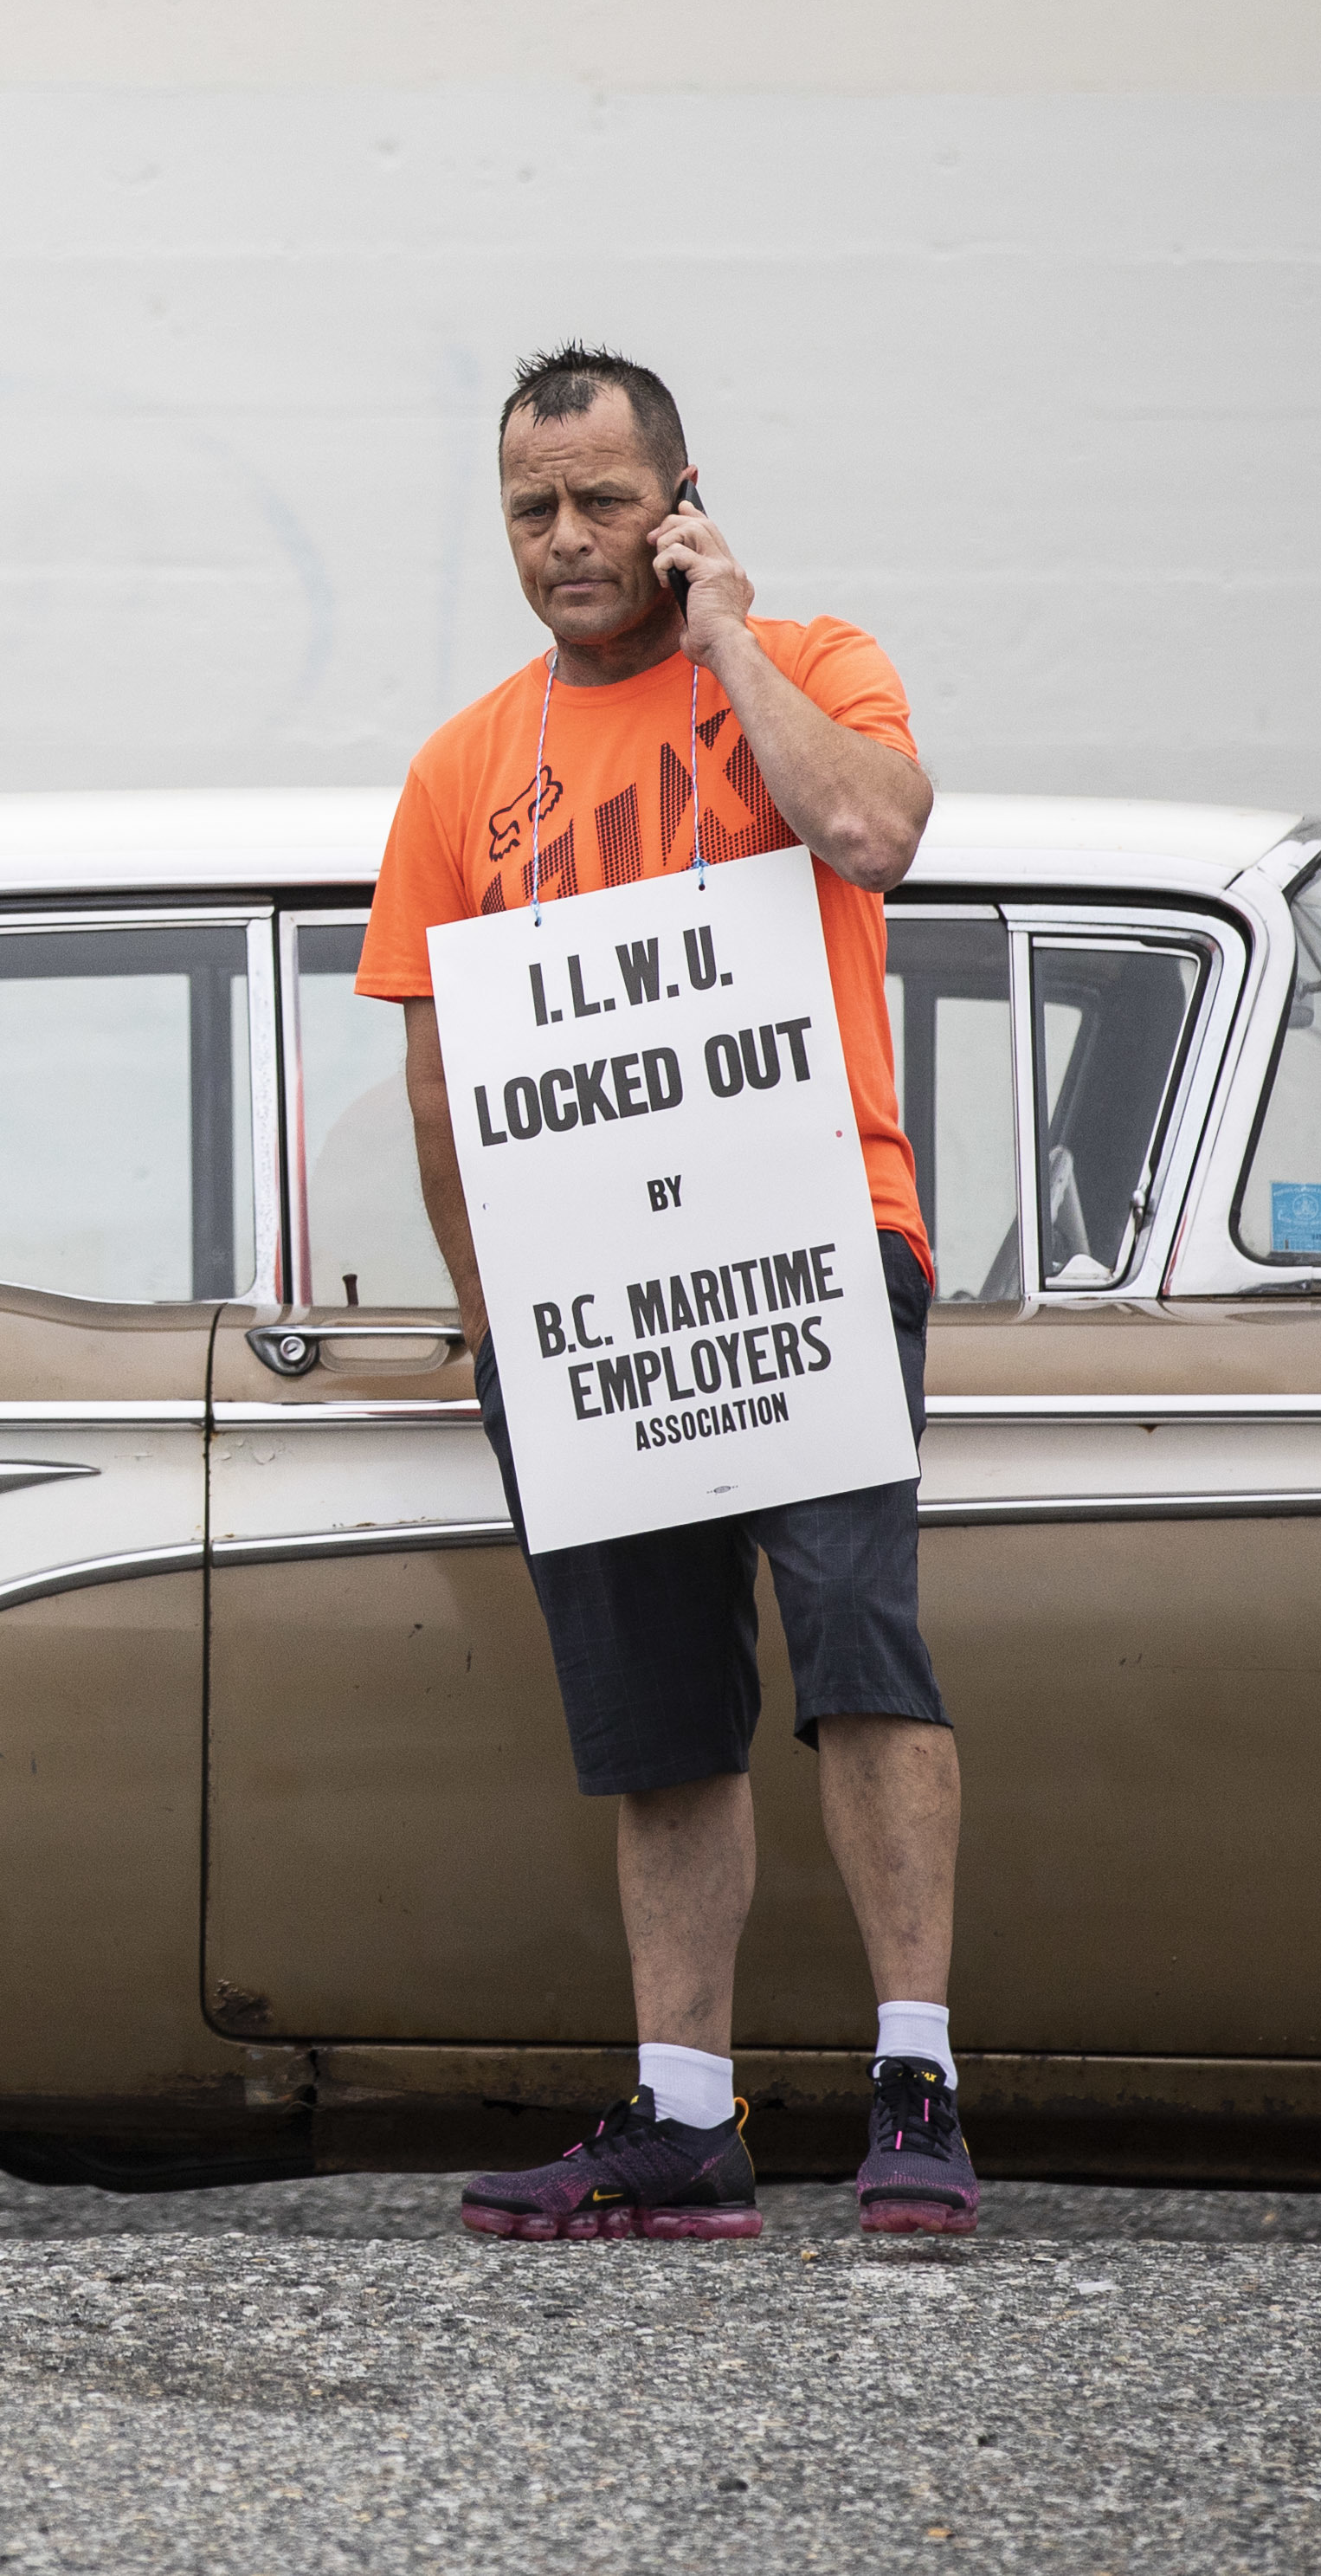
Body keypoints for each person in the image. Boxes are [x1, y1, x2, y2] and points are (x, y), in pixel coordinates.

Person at [358, 345, 980, 2241]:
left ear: (681, 499)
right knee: (651, 1715)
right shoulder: (465, 763)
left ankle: (913, 2077)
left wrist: (725, 645)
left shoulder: (811, 661)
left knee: (856, 1649)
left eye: (601, 502)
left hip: (811, 1243)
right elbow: (437, 1071)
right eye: (530, 510)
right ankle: (682, 2112)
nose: (563, 540)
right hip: (586, 1300)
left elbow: (871, 831)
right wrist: (492, 1323)